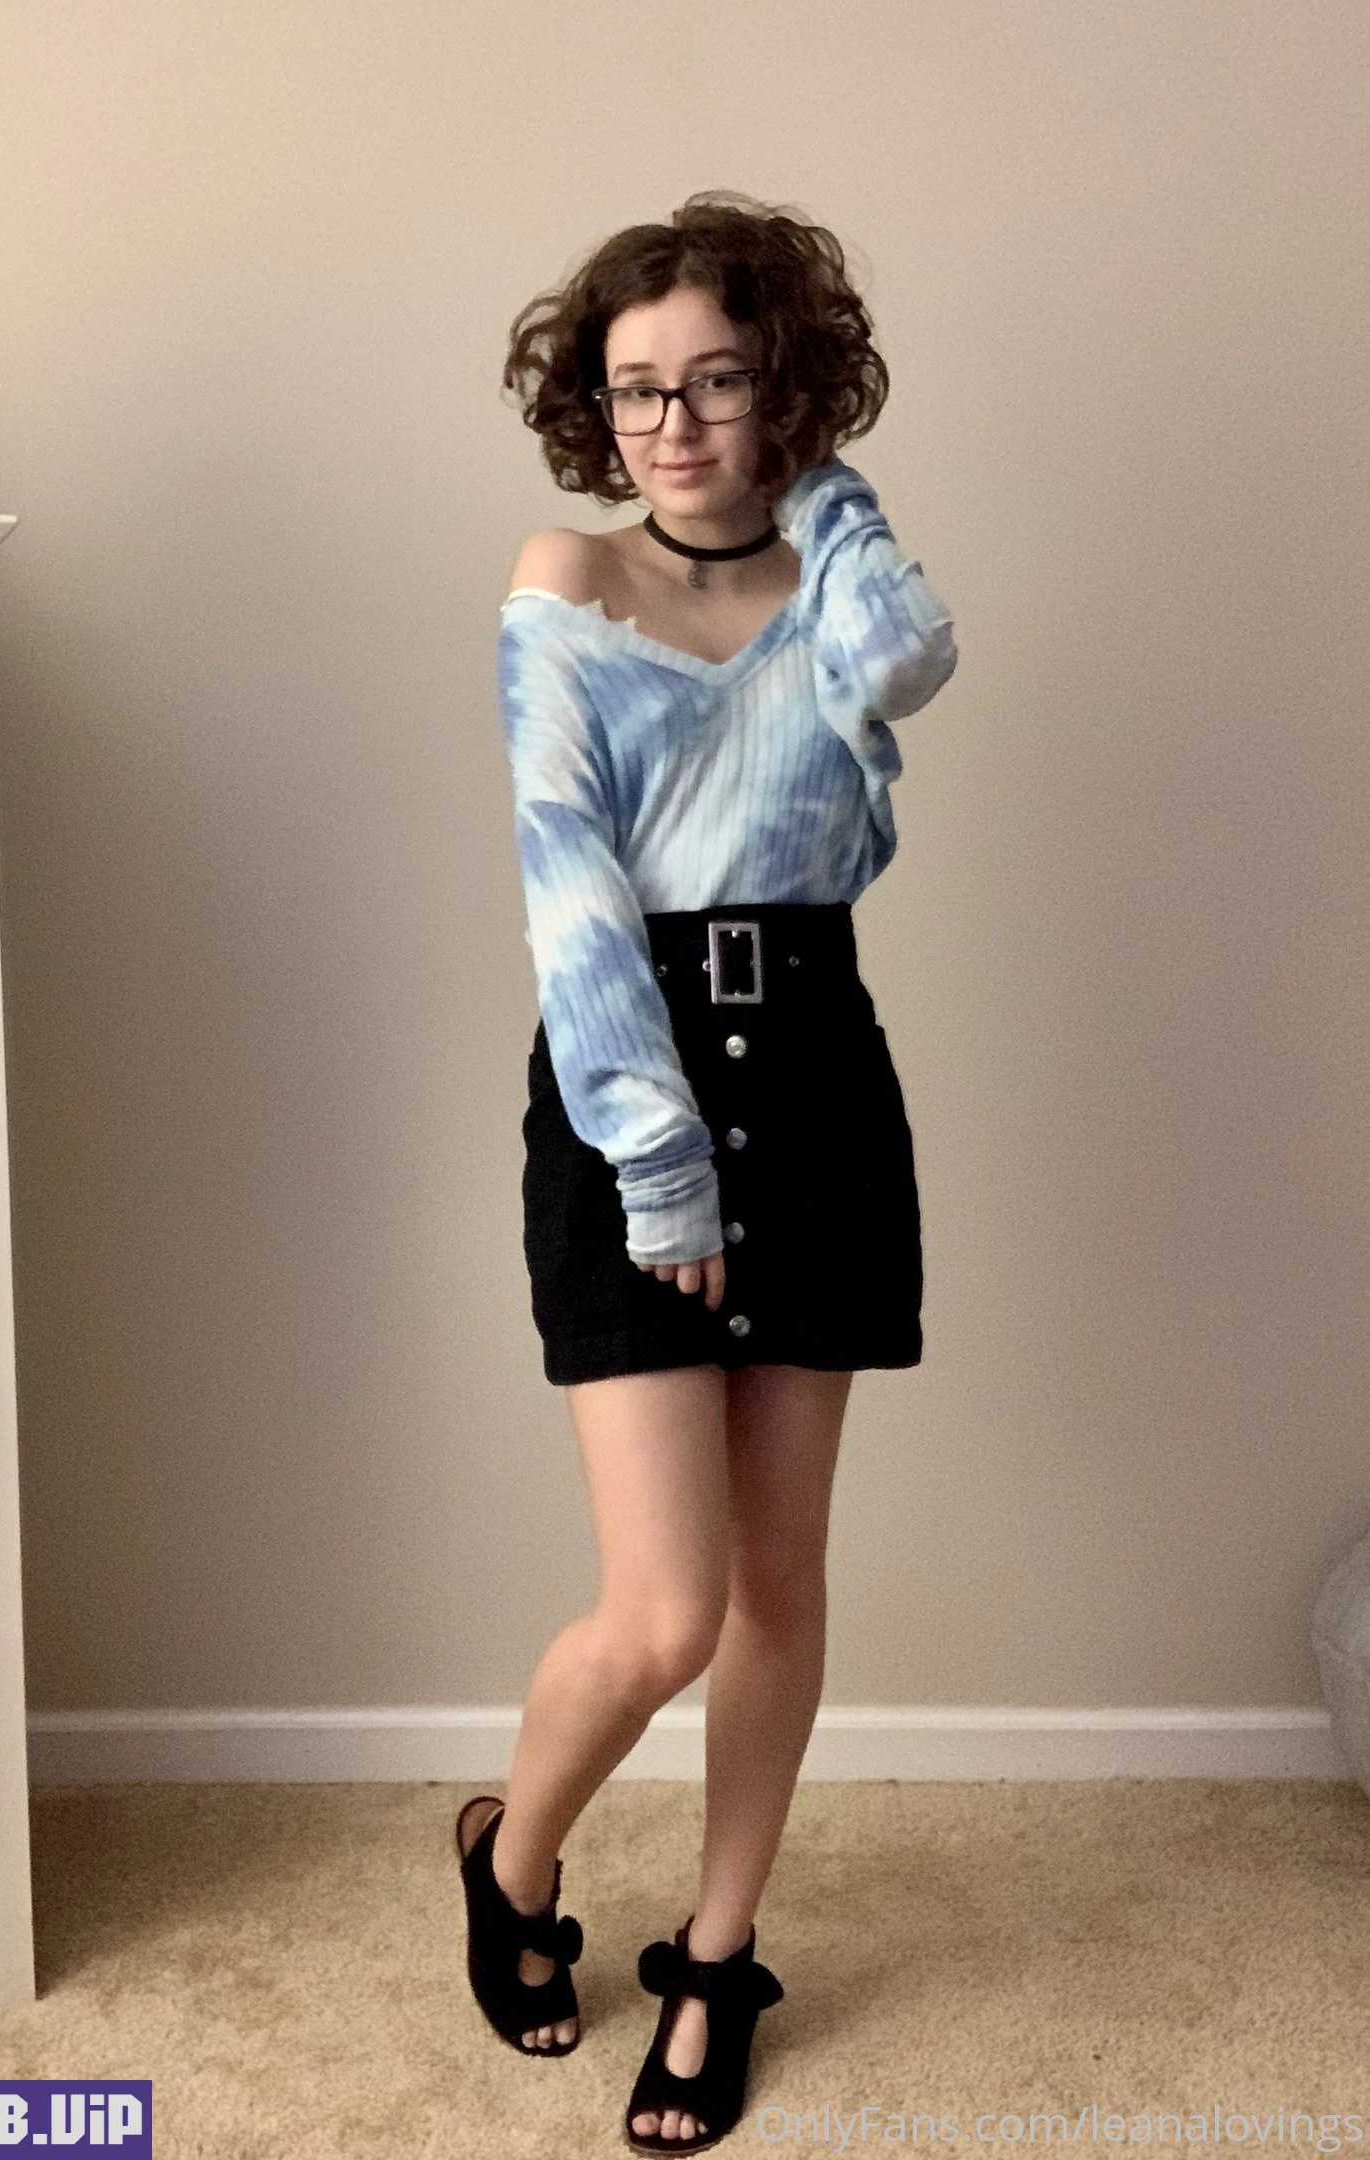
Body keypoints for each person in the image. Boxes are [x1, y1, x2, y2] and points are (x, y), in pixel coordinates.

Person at [456, 190, 959, 2156]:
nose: (669, 425)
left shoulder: (844, 585)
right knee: (661, 1611)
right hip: (628, 1081)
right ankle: (512, 1859)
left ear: (788, 392)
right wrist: (659, 1171)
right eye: (635, 388)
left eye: (719, 382)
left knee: (778, 1581)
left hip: (819, 1077)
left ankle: (717, 1957)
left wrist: (827, 495)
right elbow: (568, 890)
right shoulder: (565, 578)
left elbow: (907, 662)